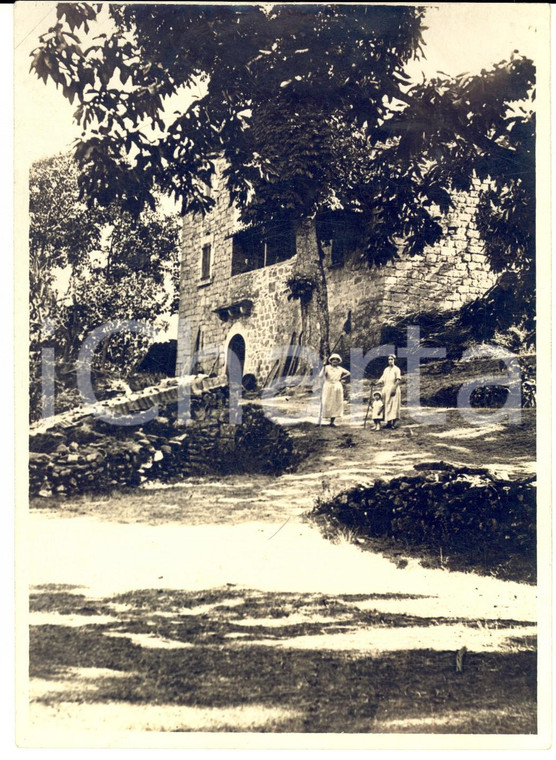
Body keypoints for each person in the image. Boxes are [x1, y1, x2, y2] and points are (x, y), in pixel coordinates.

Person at [319, 353, 350, 426]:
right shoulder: (326, 367)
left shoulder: (340, 369)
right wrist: (323, 369)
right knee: (326, 402)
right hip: (328, 385)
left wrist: (341, 378)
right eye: (333, 359)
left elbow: (348, 373)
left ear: (339, 361)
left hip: (337, 386)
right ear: (331, 360)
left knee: (336, 403)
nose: (335, 361)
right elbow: (320, 376)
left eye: (337, 359)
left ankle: (332, 422)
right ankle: (321, 420)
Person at [377, 354, 402, 429]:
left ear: (394, 360)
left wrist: (394, 388)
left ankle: (393, 423)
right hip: (386, 389)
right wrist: (375, 383)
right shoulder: (386, 369)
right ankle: (388, 423)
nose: (390, 361)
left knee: (393, 405)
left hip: (394, 388)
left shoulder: (397, 369)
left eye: (392, 359)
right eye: (389, 359)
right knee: (386, 405)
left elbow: (398, 380)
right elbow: (382, 379)